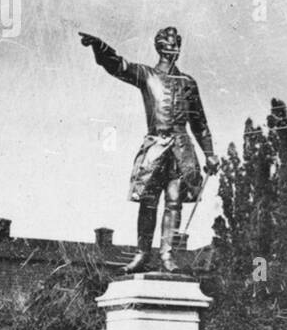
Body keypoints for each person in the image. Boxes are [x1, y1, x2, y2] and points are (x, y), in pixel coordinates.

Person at [80, 26, 218, 273]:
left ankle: (167, 255)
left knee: (174, 201)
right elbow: (118, 66)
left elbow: (200, 124)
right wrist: (100, 48)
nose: (173, 48)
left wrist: (209, 153)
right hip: (155, 146)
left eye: (176, 43)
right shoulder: (146, 74)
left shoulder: (188, 83)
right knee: (148, 201)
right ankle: (143, 254)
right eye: (169, 44)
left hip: (181, 149)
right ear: (159, 47)